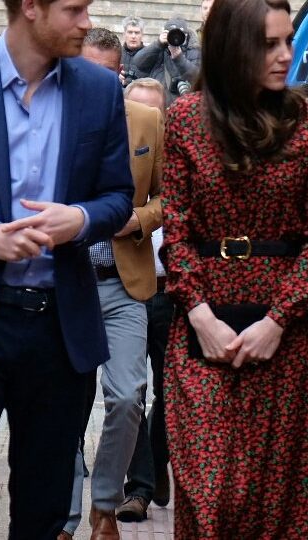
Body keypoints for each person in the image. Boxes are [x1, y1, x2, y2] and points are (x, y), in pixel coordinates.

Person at [0, 0, 134, 537]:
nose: (87, 21)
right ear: (32, 9)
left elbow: (118, 197)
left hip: (58, 330)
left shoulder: (100, 90)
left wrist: (81, 218)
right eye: (75, 9)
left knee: (43, 506)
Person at [161, 0, 308, 537]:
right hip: (204, 329)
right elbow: (176, 228)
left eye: (289, 40)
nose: (287, 55)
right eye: (270, 44)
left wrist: (279, 319)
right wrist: (199, 314)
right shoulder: (186, 120)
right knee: (209, 496)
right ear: (234, 46)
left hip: (285, 336)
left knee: (278, 502)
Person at [57, 28, 164, 540]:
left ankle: (105, 505)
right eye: (87, 72)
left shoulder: (146, 121)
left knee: (127, 396)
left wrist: (138, 218)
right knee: (59, 406)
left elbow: (172, 199)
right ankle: (62, 517)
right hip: (64, 283)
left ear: (121, 74)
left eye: (109, 75)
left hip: (124, 283)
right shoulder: (51, 118)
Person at [119, 75, 173, 521]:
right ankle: (138, 487)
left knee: (172, 393)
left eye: (157, 113)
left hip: (174, 291)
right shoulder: (120, 156)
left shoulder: (181, 161)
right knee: (132, 391)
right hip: (132, 290)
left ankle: (157, 465)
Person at [132, 16, 200, 106]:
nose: (175, 38)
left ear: (186, 35)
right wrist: (158, 44)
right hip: (158, 104)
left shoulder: (194, 51)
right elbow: (138, 62)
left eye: (179, 34)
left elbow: (197, 76)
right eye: (172, 34)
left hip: (183, 105)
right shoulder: (159, 49)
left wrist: (179, 58)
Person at [120, 16, 146, 87]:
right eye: (130, 32)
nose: (133, 36)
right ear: (124, 34)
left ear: (142, 35)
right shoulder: (116, 53)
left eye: (137, 33)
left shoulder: (149, 55)